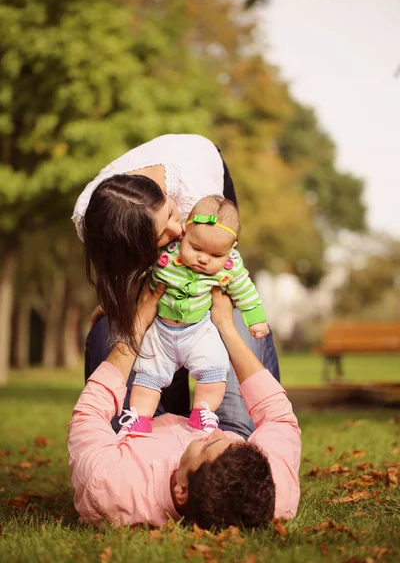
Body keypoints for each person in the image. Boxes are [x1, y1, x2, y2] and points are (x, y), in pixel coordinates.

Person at [74, 134, 280, 425]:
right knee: (131, 346)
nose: (179, 229)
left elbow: (216, 251)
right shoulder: (92, 219)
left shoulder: (195, 193)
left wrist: (233, 316)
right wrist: (121, 299)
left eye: (172, 215)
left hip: (206, 191)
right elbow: (120, 265)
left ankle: (225, 416)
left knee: (219, 307)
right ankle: (159, 425)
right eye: (163, 235)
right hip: (153, 272)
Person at [68, 283, 301, 530]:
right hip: (210, 411)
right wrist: (225, 327)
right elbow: (278, 416)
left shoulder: (109, 484)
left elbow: (89, 413)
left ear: (181, 490)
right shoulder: (270, 488)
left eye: (207, 445)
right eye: (237, 445)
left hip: (137, 428)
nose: (215, 433)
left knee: (111, 327)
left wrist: (136, 328)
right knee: (238, 317)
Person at [122, 195, 269, 434]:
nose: (203, 259)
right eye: (196, 248)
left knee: (214, 369)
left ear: (231, 249)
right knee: (148, 374)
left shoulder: (231, 266)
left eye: (215, 256)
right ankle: (139, 418)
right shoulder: (166, 253)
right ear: (184, 232)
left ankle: (202, 412)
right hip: (159, 331)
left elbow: (245, 290)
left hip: (199, 330)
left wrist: (256, 318)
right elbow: (136, 271)